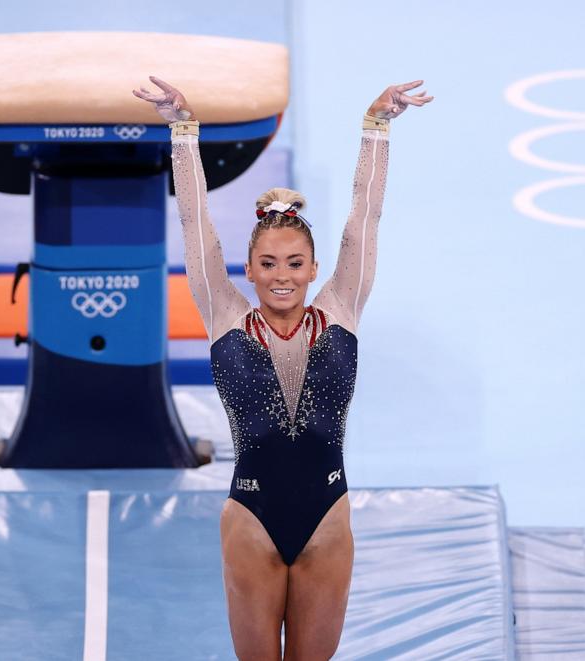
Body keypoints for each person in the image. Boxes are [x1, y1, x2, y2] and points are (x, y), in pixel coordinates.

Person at [133, 76, 432, 660]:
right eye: (267, 263)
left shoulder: (342, 305)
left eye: (295, 264)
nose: (282, 275)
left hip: (327, 519)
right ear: (248, 268)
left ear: (315, 266)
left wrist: (377, 127)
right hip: (251, 518)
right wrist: (181, 128)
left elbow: (363, 223)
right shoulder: (223, 312)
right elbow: (196, 228)